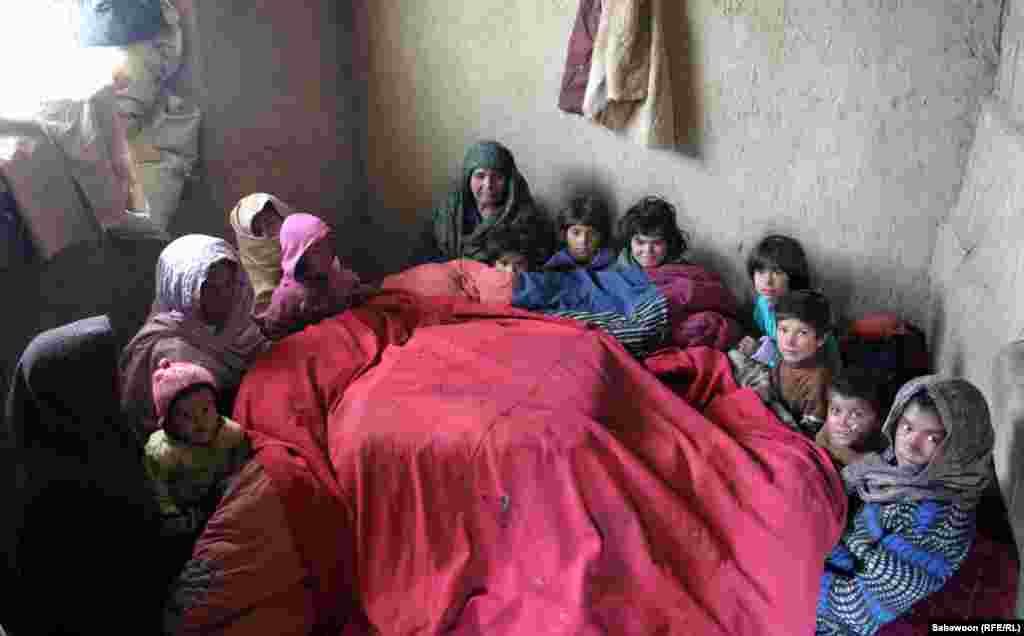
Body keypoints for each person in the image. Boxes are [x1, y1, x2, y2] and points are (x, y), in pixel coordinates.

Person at [816, 376, 995, 635]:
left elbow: (855, 609)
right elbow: (848, 484)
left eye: (933, 438)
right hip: (829, 558)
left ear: (959, 450)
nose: (910, 445)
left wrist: (797, 570)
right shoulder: (899, 469)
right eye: (907, 428)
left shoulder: (936, 522)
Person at [119, 235, 268, 435]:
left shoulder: (241, 324)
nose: (225, 296)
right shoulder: (170, 351)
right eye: (210, 288)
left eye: (229, 284)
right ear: (182, 289)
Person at [144, 359, 251, 539]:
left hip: (222, 495)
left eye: (205, 409)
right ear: (168, 422)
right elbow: (158, 486)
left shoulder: (230, 433)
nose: (199, 421)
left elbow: (241, 461)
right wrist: (169, 510)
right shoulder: (163, 452)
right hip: (185, 506)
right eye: (186, 415)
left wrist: (235, 481)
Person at [427, 140, 554, 263]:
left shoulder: (526, 216)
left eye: (497, 177)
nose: (488, 185)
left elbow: (537, 262)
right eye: (480, 176)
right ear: (468, 179)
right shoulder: (449, 214)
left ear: (509, 182)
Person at [257, 213, 367, 340]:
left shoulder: (339, 277)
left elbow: (357, 295)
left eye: (328, 243)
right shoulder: (287, 297)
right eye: (317, 250)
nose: (327, 252)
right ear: (298, 256)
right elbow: (276, 333)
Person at [769, 290, 834, 435]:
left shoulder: (818, 379)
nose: (789, 341)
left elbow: (810, 430)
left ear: (821, 339)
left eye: (802, 332)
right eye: (783, 330)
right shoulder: (784, 358)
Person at [227, 192, 294, 313]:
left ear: (283, 217)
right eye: (257, 232)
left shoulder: (311, 247)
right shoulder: (241, 284)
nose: (266, 234)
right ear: (248, 242)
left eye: (270, 224)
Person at [817, 367, 886, 468]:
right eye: (836, 411)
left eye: (856, 415)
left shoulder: (888, 455)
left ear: (878, 420)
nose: (842, 422)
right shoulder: (821, 442)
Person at [615, 195, 691, 268]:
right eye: (640, 242)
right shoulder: (611, 276)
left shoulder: (691, 276)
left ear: (669, 243)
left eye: (657, 242)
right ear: (629, 242)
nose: (648, 250)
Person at [543, 195, 614, 271]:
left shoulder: (611, 262)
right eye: (576, 233)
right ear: (564, 234)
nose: (583, 241)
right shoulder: (554, 266)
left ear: (601, 236)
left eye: (592, 234)